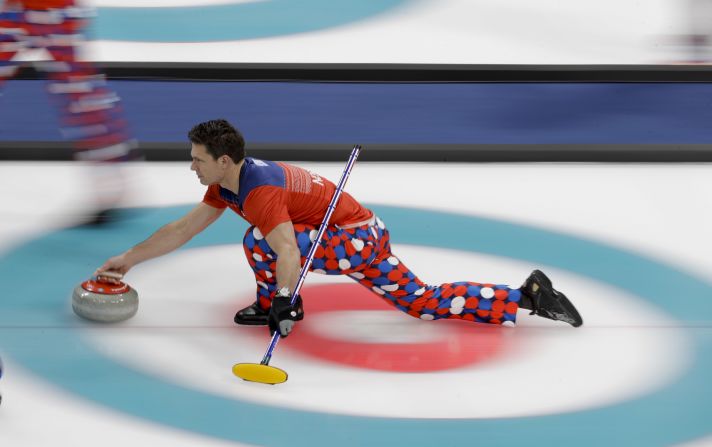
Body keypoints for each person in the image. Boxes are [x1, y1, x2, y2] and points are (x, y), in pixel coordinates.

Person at [96, 119, 582, 337]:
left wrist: (286, 297)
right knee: (421, 304)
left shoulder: (259, 190)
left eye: (198, 160)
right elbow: (183, 230)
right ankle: (526, 297)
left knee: (260, 241)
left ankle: (278, 305)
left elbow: (286, 249)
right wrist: (130, 259)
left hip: (356, 238)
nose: (192, 167)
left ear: (224, 160)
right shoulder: (228, 185)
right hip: (351, 236)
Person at [0, 0, 139, 223]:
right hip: (18, 11)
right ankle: (113, 181)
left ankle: (113, 182)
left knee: (82, 99)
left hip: (54, 13)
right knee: (81, 98)